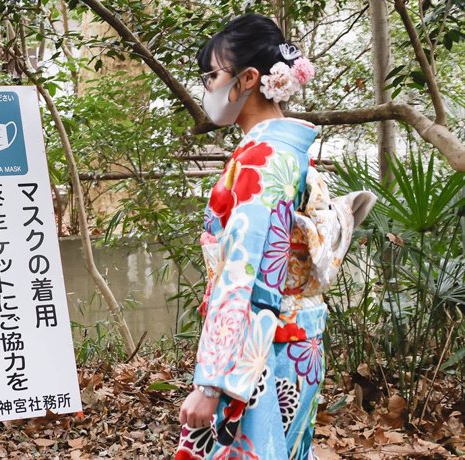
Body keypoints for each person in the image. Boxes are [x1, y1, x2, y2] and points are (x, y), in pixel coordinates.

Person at [175, 13, 326, 460]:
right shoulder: (287, 152)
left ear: (248, 78)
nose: (207, 87)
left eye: (212, 75)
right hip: (297, 343)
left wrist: (214, 381)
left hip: (262, 350)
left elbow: (248, 271)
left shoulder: (263, 157)